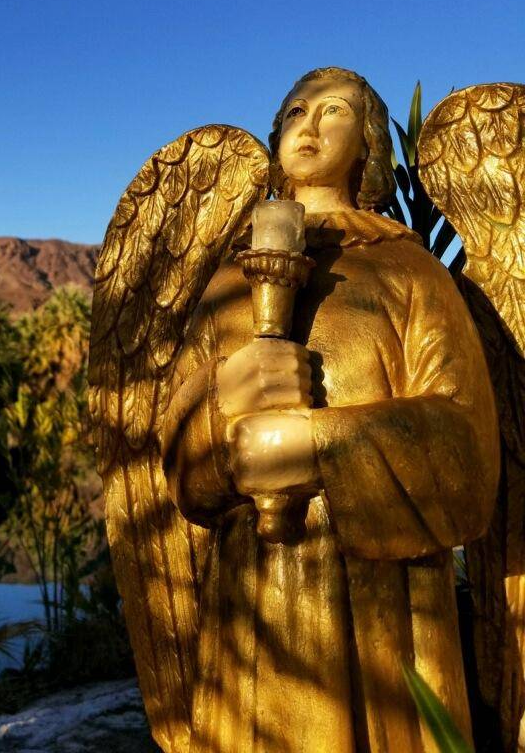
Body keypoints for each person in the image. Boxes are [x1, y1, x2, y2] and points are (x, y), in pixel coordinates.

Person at [161, 67, 499, 753]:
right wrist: (222, 403)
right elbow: (173, 463)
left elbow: (466, 442)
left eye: (334, 111)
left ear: (369, 141)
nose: (309, 126)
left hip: (381, 603)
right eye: (294, 113)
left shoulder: (409, 271)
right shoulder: (226, 281)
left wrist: (319, 444)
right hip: (251, 610)